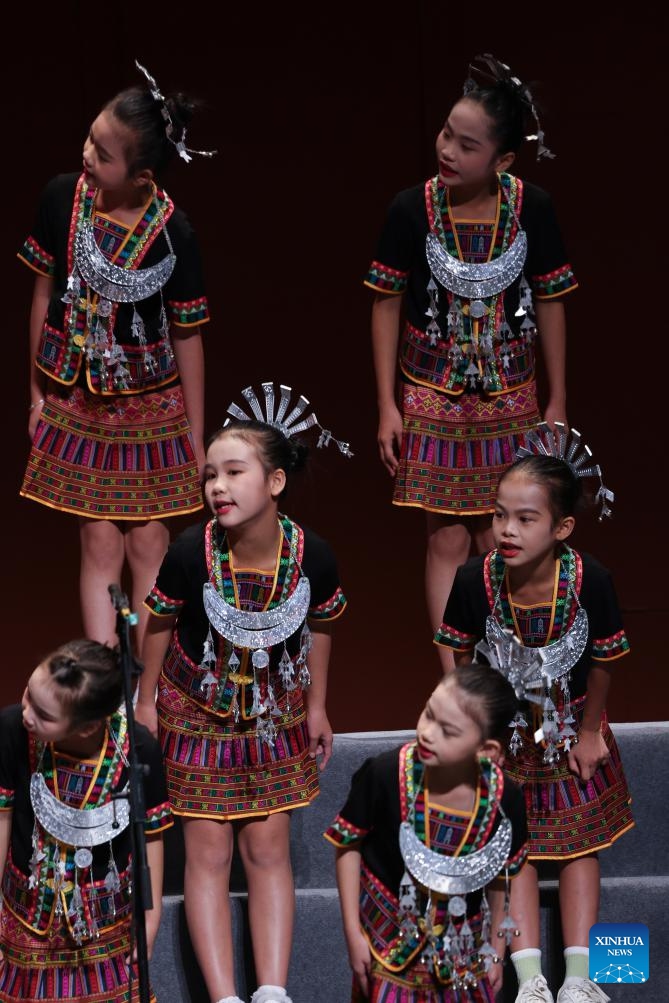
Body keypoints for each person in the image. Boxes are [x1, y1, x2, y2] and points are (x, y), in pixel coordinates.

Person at [135, 382, 350, 1003]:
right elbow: (158, 624)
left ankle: (272, 991)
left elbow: (322, 628)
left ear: (275, 482)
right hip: (195, 711)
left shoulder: (314, 555)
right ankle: (226, 997)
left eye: (234, 472)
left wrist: (316, 706)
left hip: (274, 714)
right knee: (206, 854)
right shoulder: (189, 551)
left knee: (267, 850)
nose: (217, 486)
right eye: (210, 475)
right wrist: (146, 702)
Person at [365, 52, 578, 633]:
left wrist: (557, 398)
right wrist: (388, 405)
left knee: (500, 535)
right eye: (445, 134)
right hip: (431, 392)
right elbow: (385, 304)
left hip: (511, 393)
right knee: (446, 539)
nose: (448, 151)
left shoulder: (533, 208)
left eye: (467, 145)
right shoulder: (410, 208)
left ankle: (504, 664)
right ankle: (453, 675)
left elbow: (551, 300)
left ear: (502, 159)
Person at [19, 60, 215, 650]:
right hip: (79, 399)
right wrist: (36, 395)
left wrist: (194, 436)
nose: (87, 155)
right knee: (99, 540)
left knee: (149, 542)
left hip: (151, 408)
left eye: (102, 154)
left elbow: (187, 336)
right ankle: (107, 677)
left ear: (141, 175)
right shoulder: (62, 198)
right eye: (90, 139)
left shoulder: (174, 231)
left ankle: (147, 684)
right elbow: (43, 295)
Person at [435, 427, 632, 1003]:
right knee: (511, 846)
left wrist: (590, 732)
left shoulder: (592, 579)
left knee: (578, 847)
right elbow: (462, 658)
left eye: (525, 519)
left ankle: (580, 978)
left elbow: (603, 663)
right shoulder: (473, 580)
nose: (507, 530)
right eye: (500, 516)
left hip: (572, 728)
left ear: (562, 527)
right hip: (506, 734)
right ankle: (531, 981)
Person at [325, 662, 529, 1002]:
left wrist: (496, 949)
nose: (428, 733)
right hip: (388, 941)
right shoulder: (384, 774)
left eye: (448, 731)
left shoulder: (506, 800)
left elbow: (503, 876)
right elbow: (348, 844)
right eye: (428, 714)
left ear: (487, 750)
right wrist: (352, 932)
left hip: (463, 951)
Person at [0, 638, 173, 1003]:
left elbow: (152, 838)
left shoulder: (138, 748)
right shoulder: (12, 729)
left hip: (106, 923)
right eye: (29, 695)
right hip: (27, 916)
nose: (27, 713)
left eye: (44, 715)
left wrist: (151, 915)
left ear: (87, 727)